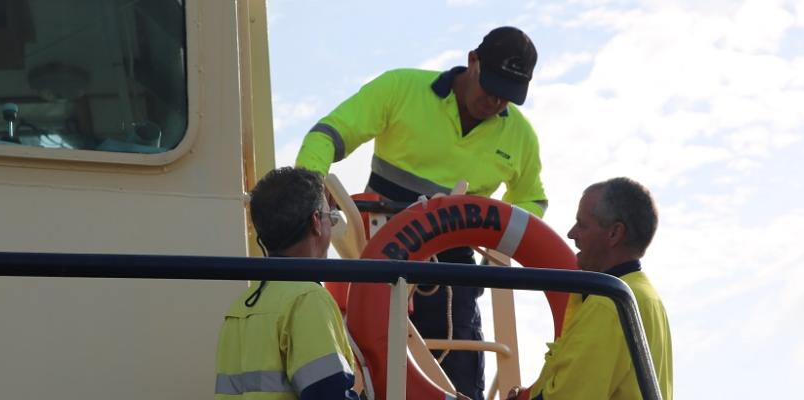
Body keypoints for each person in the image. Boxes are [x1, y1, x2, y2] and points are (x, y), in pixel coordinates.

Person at [295, 26, 547, 399]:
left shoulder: (520, 136)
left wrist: (495, 245)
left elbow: (533, 200)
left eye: (507, 95)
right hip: (381, 255)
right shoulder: (401, 89)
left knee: (463, 377)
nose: (495, 101)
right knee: (372, 372)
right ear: (472, 61)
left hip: (455, 269)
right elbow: (326, 135)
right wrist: (312, 194)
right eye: (491, 85)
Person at [507, 177, 673, 400]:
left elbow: (569, 396)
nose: (571, 234)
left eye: (582, 225)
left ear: (614, 233)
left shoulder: (608, 304)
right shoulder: (646, 297)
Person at [214, 167, 359, 399]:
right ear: (315, 222)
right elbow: (329, 393)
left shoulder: (241, 307)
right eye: (329, 217)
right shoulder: (308, 300)